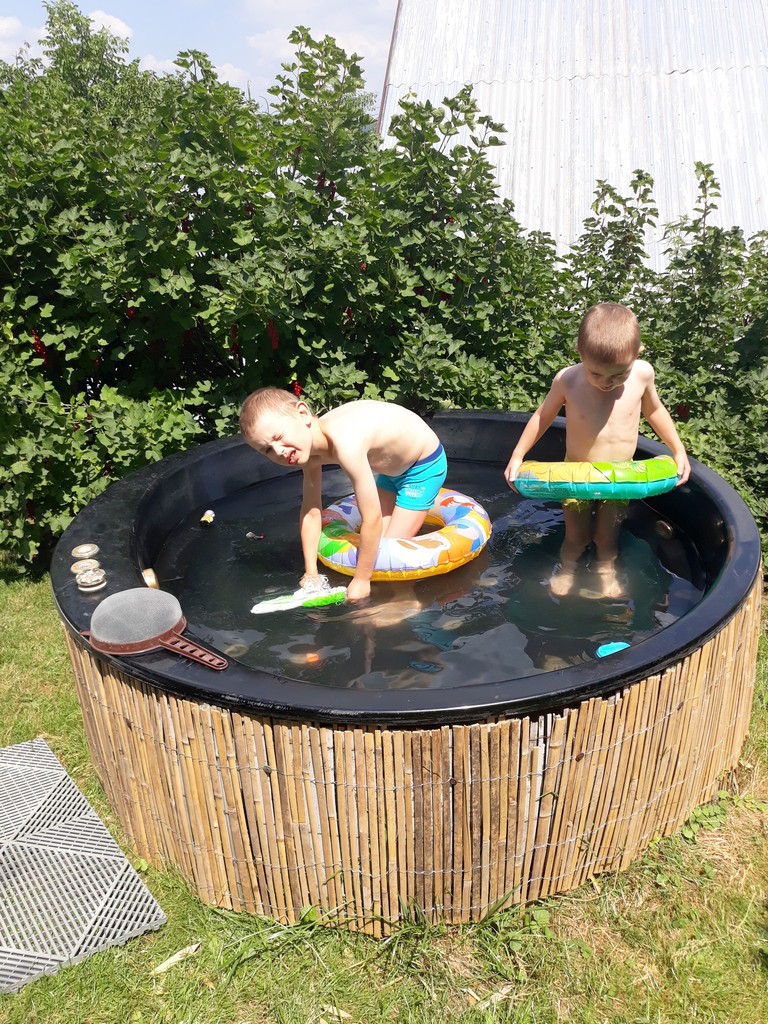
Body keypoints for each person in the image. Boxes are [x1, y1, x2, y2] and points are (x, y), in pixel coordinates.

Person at [504, 303, 690, 598]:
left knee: (607, 538)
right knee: (576, 537)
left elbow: (655, 411)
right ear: (580, 352)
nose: (606, 382)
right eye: (597, 373)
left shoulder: (642, 375)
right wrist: (518, 455)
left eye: (619, 374)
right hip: (576, 476)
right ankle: (568, 568)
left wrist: (678, 449)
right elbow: (543, 416)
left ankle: (606, 569)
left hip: (619, 478)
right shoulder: (568, 380)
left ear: (637, 354)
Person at [239, 388, 447, 602]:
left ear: (303, 413)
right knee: (377, 548)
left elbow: (372, 518)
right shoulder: (308, 453)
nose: (278, 451)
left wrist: (362, 579)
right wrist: (311, 572)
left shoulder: (346, 442)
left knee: (388, 554)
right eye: (267, 450)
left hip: (422, 467)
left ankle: (409, 602)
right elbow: (311, 512)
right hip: (391, 471)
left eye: (278, 437)